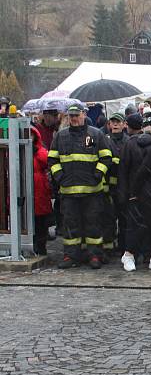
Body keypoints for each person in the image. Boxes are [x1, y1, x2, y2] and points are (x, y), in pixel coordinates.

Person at [48, 103, 112, 269]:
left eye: (77, 115)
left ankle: (94, 255)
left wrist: (98, 175)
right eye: (71, 116)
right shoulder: (60, 137)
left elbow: (105, 158)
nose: (74, 118)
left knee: (93, 225)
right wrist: (59, 177)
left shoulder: (93, 135)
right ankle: (70, 256)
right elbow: (52, 160)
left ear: (84, 115)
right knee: (70, 226)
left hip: (92, 191)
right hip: (68, 191)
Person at [118, 114, 151, 272]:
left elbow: (123, 170)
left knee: (141, 226)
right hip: (149, 192)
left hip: (140, 192)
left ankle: (144, 255)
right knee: (148, 226)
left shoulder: (132, 143)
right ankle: (136, 255)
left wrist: (126, 191)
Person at [103, 113, 129, 255]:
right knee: (108, 217)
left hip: (124, 187)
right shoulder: (104, 140)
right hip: (109, 187)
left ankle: (124, 245)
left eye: (118, 122)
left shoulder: (129, 141)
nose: (115, 124)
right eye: (112, 122)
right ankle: (108, 246)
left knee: (124, 218)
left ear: (124, 124)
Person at [31, 126, 53, 256]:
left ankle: (41, 245)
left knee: (41, 220)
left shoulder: (40, 151)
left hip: (39, 188)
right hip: (26, 186)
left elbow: (47, 161)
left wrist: (37, 152)